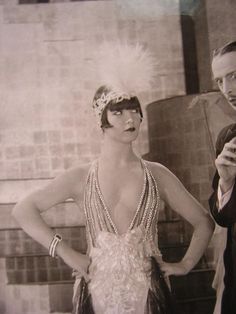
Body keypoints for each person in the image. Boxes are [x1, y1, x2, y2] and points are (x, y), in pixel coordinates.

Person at [12, 43, 214, 314]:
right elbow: (23, 210)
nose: (129, 118)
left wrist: (186, 264)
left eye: (133, 110)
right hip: (97, 294)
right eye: (117, 112)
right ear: (101, 120)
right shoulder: (81, 176)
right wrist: (67, 253)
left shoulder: (156, 174)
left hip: (148, 296)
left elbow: (203, 221)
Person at [209, 40, 236, 314]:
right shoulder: (227, 138)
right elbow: (223, 218)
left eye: (234, 76)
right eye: (219, 81)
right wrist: (226, 183)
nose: (227, 89)